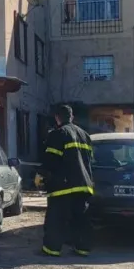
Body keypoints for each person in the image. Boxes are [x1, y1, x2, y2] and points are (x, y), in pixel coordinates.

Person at [39, 104, 94, 257]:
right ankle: (82, 248)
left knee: (56, 219)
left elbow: (51, 159)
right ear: (72, 117)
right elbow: (89, 162)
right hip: (83, 185)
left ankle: (51, 249)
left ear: (57, 118)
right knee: (80, 219)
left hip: (62, 185)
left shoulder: (57, 134)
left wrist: (42, 175)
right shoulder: (85, 135)